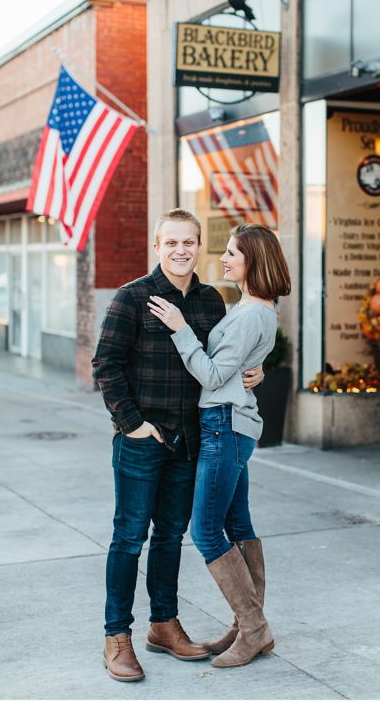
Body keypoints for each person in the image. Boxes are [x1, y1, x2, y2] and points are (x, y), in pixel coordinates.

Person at [93, 208, 264, 682]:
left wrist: (258, 371)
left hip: (193, 440)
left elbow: (225, 360)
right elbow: (105, 364)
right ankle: (116, 636)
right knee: (129, 537)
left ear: (198, 245)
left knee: (170, 536)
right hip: (143, 441)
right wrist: (131, 424)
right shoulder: (132, 298)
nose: (181, 250)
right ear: (157, 246)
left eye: (189, 242)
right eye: (171, 243)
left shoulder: (211, 301)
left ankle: (163, 624)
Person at [148, 222, 290, 669]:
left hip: (222, 427)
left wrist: (179, 327)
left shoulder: (250, 314)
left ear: (254, 262)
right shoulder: (255, 309)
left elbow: (211, 376)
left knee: (206, 530)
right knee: (238, 523)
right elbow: (242, 363)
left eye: (232, 253)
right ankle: (248, 625)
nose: (223, 259)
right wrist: (256, 368)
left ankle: (253, 627)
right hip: (231, 423)